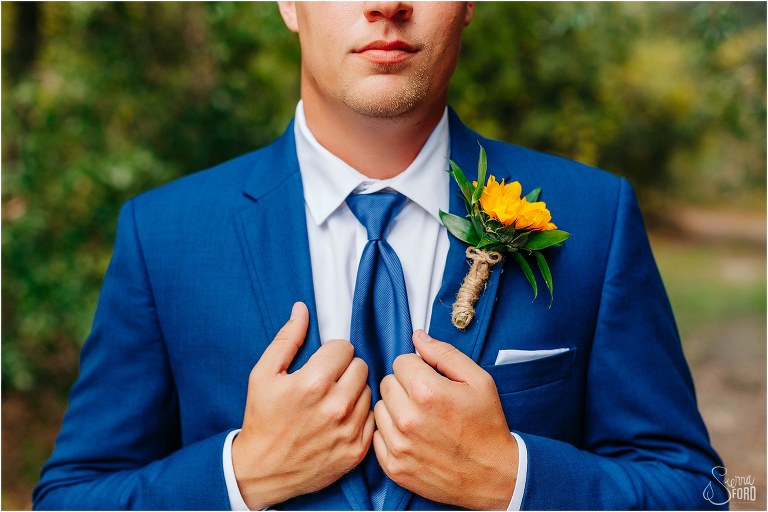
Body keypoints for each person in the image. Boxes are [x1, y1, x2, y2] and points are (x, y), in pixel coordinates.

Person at [34, 2, 725, 510]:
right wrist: (239, 476)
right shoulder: (164, 234)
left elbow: (699, 491)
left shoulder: (595, 217)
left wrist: (515, 480)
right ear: (288, 4)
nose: (387, 5)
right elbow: (69, 499)